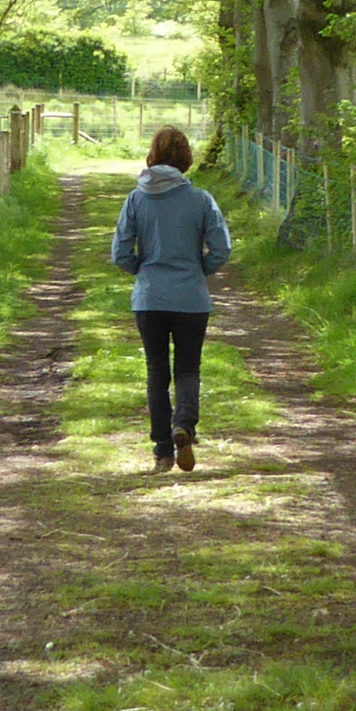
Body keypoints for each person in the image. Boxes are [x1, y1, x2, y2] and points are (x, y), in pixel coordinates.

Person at [111, 125, 232, 473]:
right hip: (191, 298)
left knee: (156, 371)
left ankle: (163, 450)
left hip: (149, 297)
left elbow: (120, 252)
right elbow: (222, 248)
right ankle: (185, 425)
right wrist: (199, 269)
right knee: (188, 368)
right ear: (185, 158)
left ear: (153, 155)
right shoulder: (201, 199)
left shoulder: (136, 198)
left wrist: (142, 269)